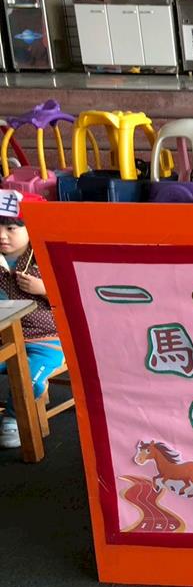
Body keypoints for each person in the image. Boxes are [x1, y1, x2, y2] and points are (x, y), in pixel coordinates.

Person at [0, 191, 64, 449]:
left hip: (47, 340)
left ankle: (13, 420)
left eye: (11, 228)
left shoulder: (45, 257)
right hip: (5, 337)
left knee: (29, 380)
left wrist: (45, 289)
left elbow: (74, 296)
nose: (2, 235)